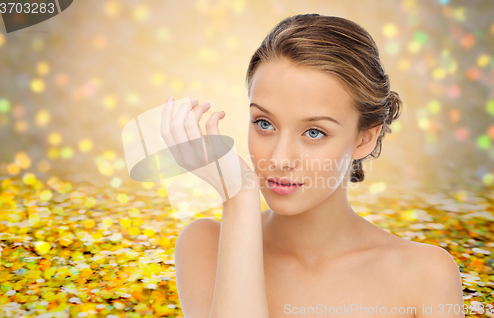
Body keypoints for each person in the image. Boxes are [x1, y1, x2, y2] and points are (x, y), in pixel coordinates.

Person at [166, 14, 464, 318]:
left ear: (364, 138)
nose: (280, 159)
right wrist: (240, 198)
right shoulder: (206, 246)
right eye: (264, 123)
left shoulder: (426, 275)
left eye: (314, 132)